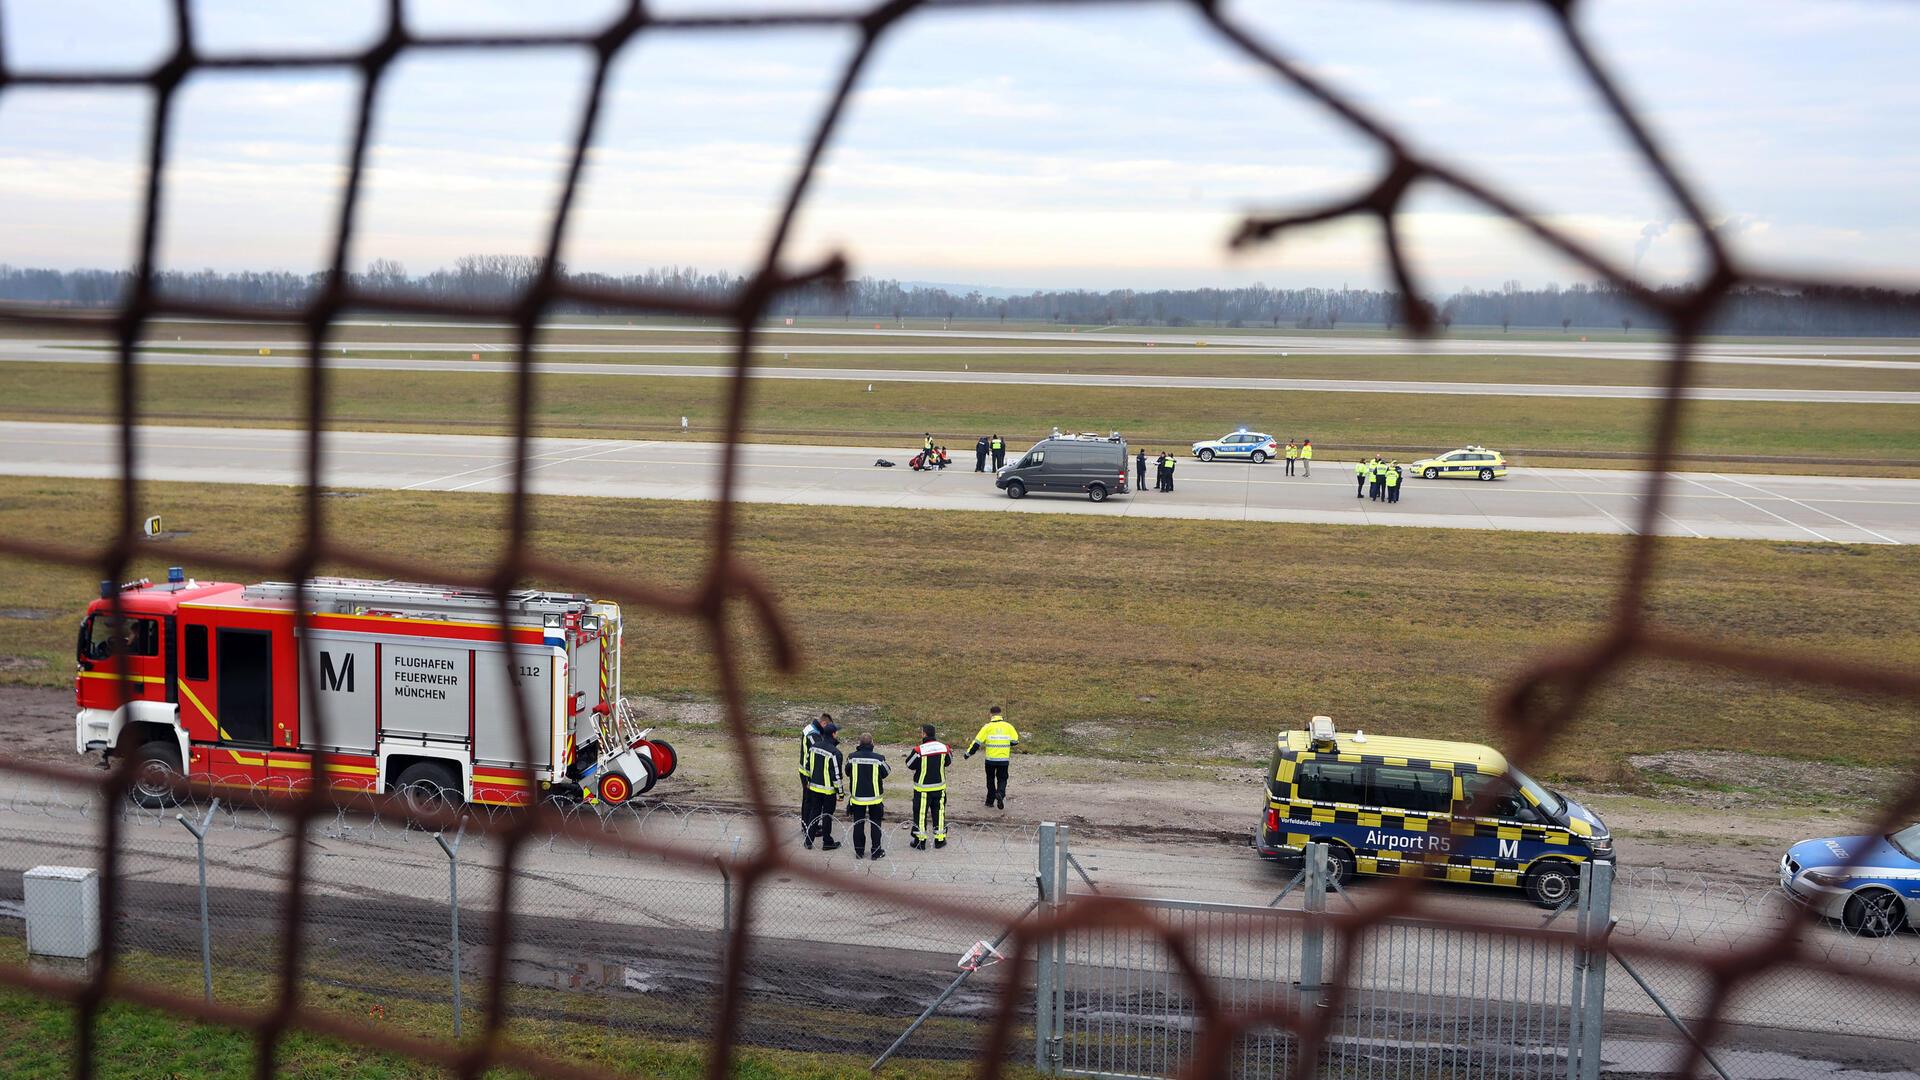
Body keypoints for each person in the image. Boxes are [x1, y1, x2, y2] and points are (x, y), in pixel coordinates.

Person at [905, 724, 951, 849]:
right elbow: (948, 762)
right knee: (939, 813)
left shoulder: (919, 750)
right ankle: (940, 840)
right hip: (939, 788)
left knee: (920, 814)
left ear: (924, 734)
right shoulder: (944, 748)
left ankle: (920, 842)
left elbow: (909, 764)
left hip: (922, 789)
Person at [965, 705, 1020, 809]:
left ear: (990, 714)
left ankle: (990, 801)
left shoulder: (987, 727)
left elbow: (977, 743)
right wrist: (1006, 743)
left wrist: (968, 754)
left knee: (990, 779)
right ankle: (1000, 793)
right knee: (1002, 778)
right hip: (1003, 759)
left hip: (990, 760)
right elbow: (1015, 741)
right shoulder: (1008, 726)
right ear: (1000, 714)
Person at [845, 733, 889, 860]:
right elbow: (886, 772)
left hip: (857, 798)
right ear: (872, 743)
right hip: (875, 798)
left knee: (858, 824)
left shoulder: (852, 757)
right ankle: (876, 852)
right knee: (875, 824)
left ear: (859, 743)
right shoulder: (879, 759)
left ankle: (859, 852)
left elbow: (847, 772)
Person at [800, 722, 843, 850]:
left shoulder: (813, 747)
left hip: (813, 788)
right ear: (834, 734)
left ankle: (809, 840)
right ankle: (827, 841)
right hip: (828, 792)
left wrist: (808, 782)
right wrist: (840, 793)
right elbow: (836, 775)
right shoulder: (835, 753)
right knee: (827, 816)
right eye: (837, 732)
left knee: (814, 813)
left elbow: (807, 767)